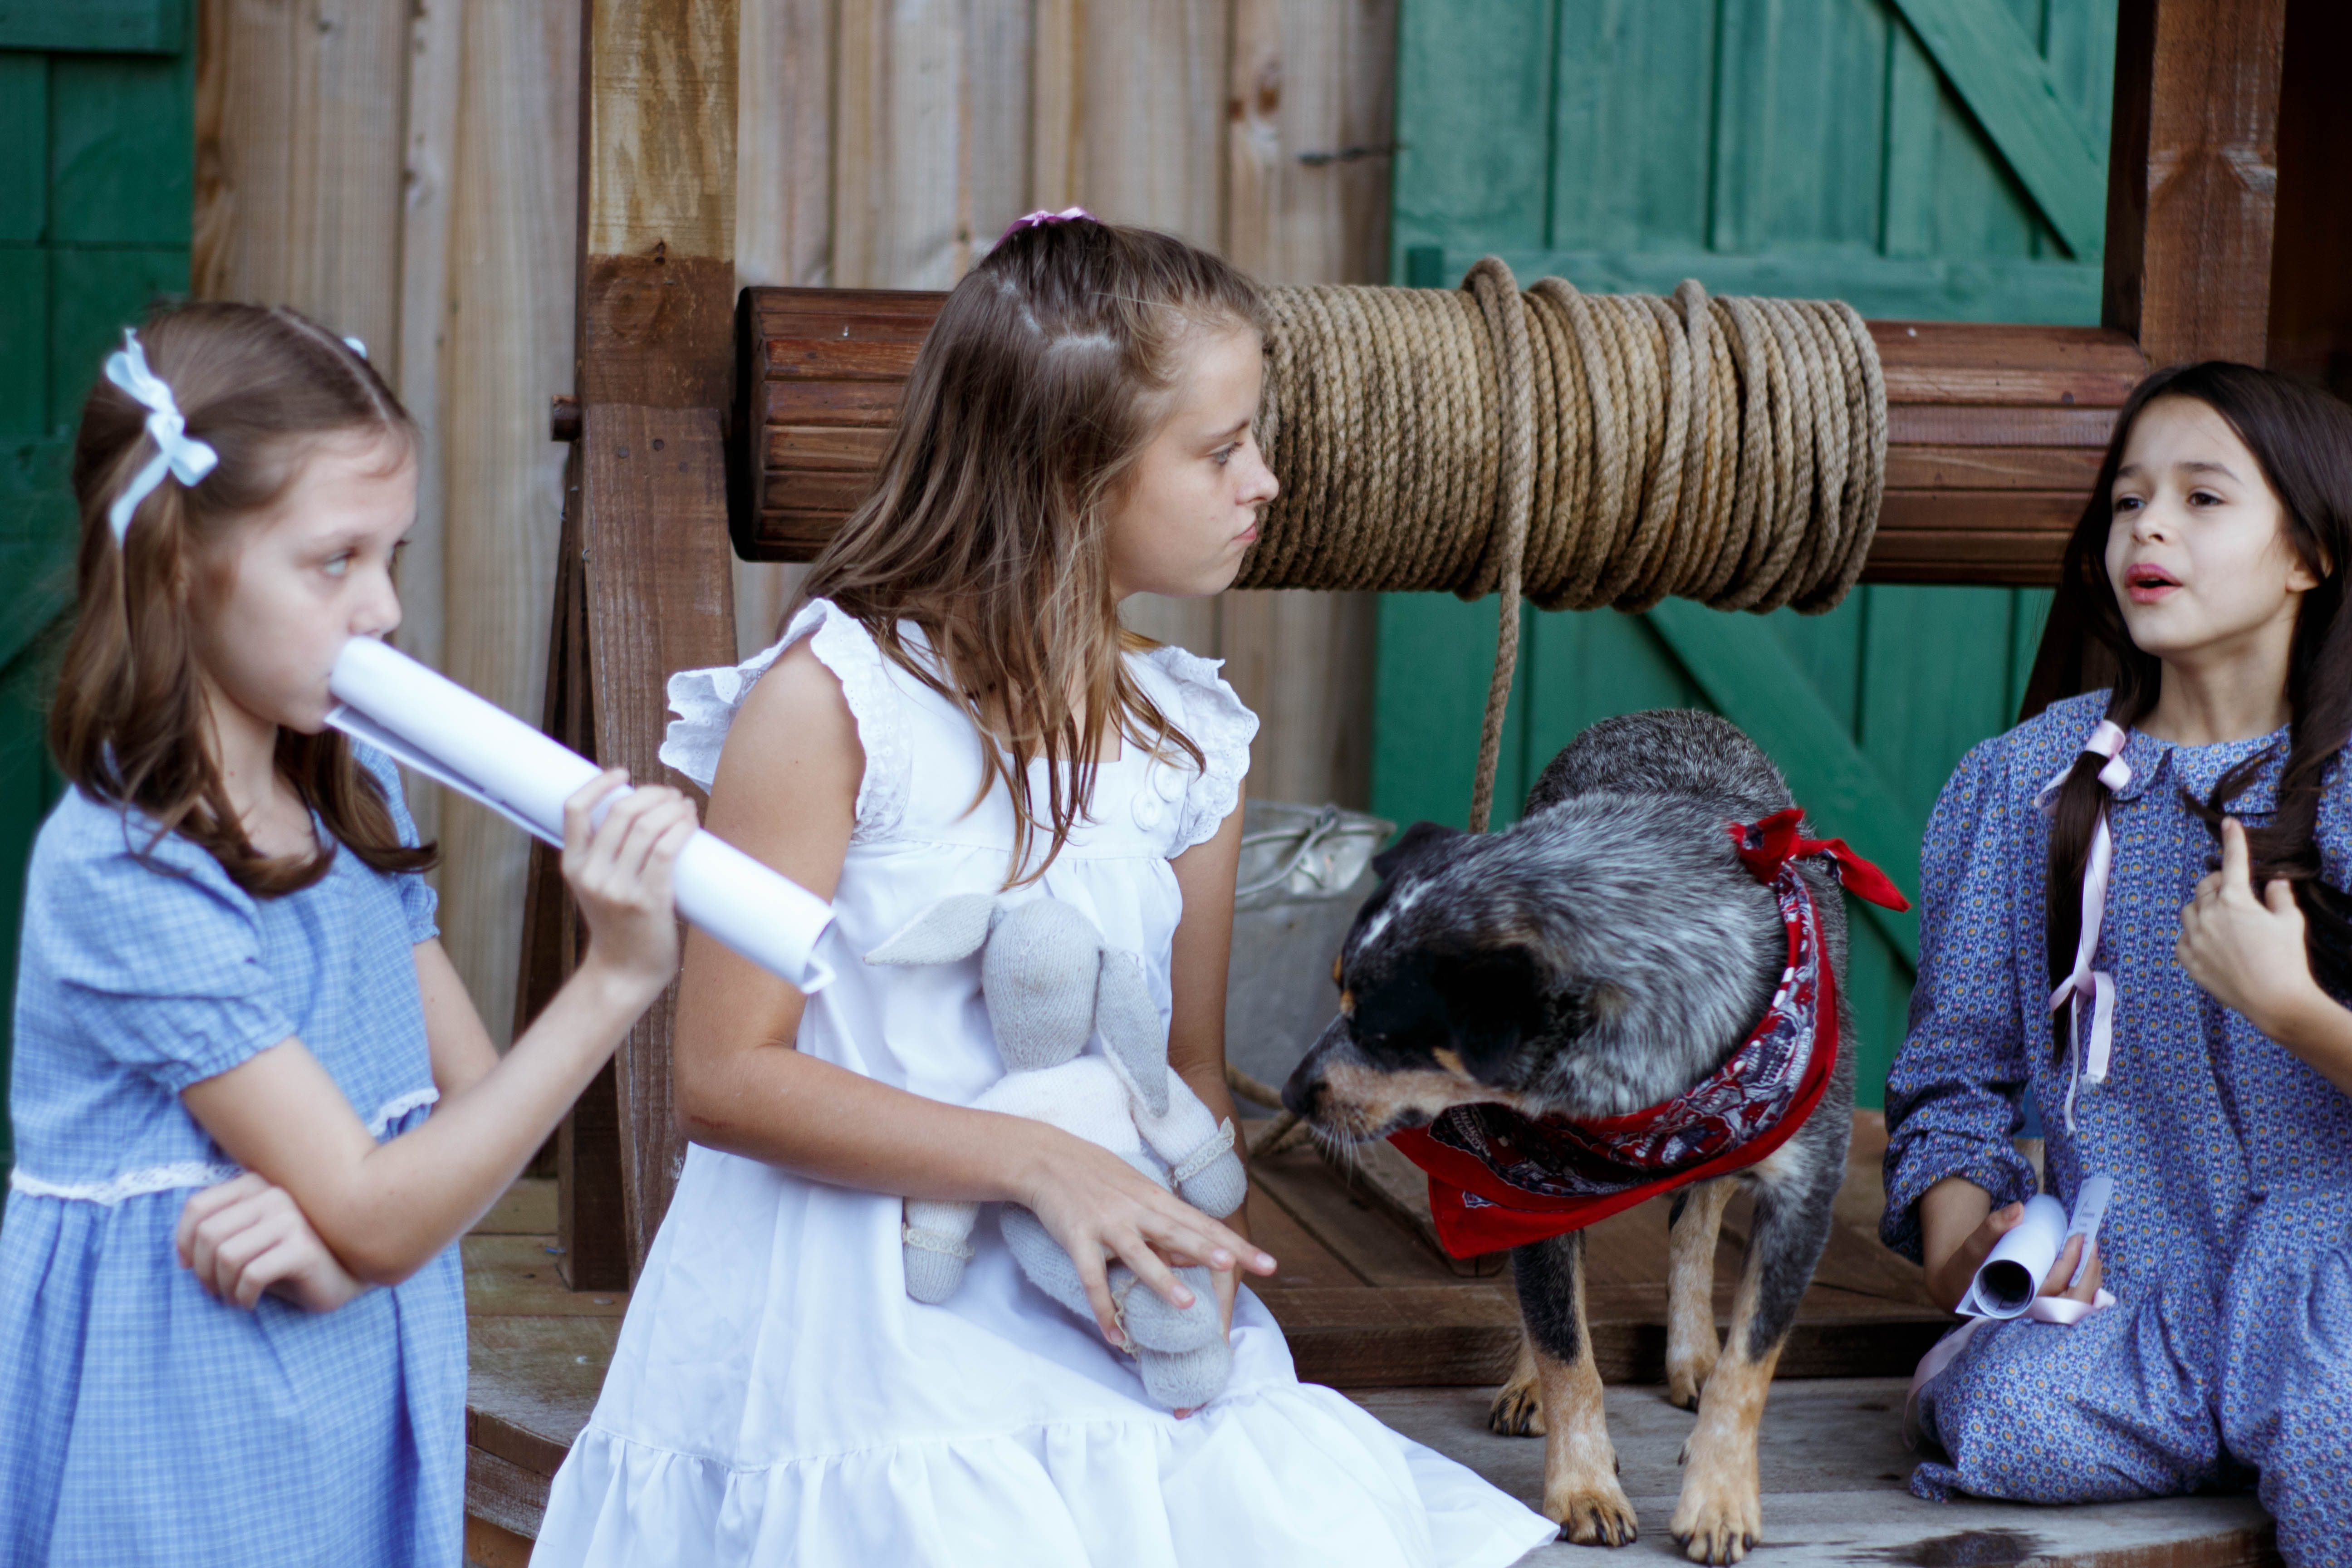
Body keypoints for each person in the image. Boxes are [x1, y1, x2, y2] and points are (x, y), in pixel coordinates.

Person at [531, 216, 1558, 1568]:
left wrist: (1208, 1305)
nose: (1264, 480)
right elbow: (725, 1080)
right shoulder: (833, 708)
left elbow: (1185, 1076)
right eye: (1221, 449)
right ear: (1072, 470)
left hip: (1098, 1298)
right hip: (863, 1318)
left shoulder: (1186, 740)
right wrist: (1037, 1161)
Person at [0, 303, 698, 1566]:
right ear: (176, 563)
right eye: (334, 561)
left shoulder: (349, 786)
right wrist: (616, 978)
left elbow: (466, 1104)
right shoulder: (126, 872)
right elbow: (380, 1206)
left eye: (393, 555)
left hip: (348, 1376)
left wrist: (342, 1256)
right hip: (179, 1416)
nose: (381, 606)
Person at [1882, 361, 2352, 1563]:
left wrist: (2291, 1008)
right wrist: (1961, 1249)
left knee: (2334, 1430)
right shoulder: (2022, 785)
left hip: (2336, 1286)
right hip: (2138, 1300)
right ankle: (2225, 1406)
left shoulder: (2349, 784)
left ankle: (2284, 1413)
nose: (2148, 526)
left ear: (2309, 553)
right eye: (2128, 499)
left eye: (2203, 498)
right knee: (2003, 1418)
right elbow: (1953, 1078)